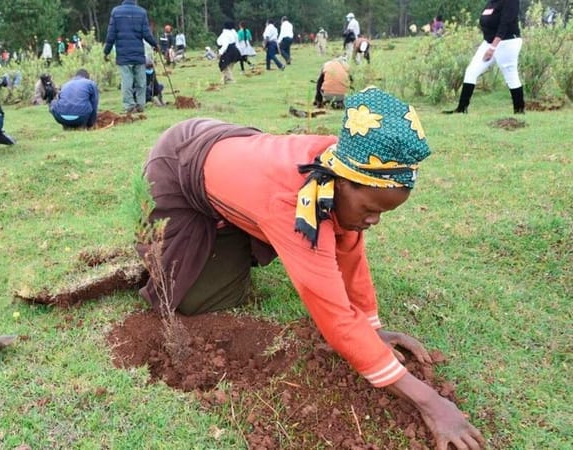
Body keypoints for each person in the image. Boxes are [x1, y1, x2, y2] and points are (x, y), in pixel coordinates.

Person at [136, 87, 487, 450]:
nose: (375, 221)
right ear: (342, 183)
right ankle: (206, 231)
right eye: (370, 209)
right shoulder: (295, 202)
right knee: (198, 298)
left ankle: (230, 222)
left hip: (230, 148)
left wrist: (371, 327)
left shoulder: (342, 165)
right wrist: (431, 403)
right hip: (177, 165)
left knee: (317, 231)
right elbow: (333, 317)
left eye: (383, 213)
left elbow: (349, 251)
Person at [445, 0, 524, 114]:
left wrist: (493, 47)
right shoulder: (492, 2)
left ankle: (519, 111)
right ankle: (461, 109)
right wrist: (489, 44)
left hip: (507, 42)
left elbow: (505, 24)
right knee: (471, 71)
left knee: (510, 75)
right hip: (488, 42)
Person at [103, 0, 158, 114]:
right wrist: (155, 44)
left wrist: (106, 51)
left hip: (123, 55)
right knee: (141, 82)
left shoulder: (116, 12)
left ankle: (129, 106)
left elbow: (111, 34)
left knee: (127, 82)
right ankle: (141, 105)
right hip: (138, 54)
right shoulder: (141, 12)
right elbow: (146, 33)